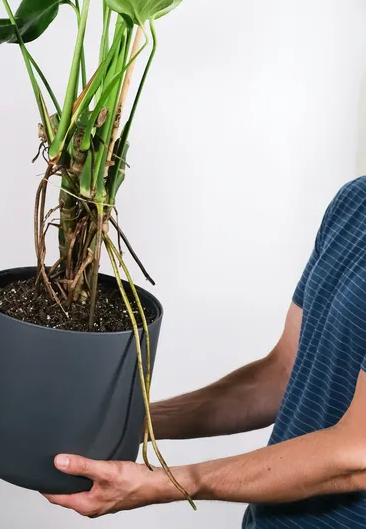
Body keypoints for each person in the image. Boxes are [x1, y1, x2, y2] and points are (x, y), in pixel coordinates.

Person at [44, 177, 366, 526]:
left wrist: (166, 483)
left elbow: (356, 455)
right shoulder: (354, 203)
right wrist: (133, 424)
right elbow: (282, 374)